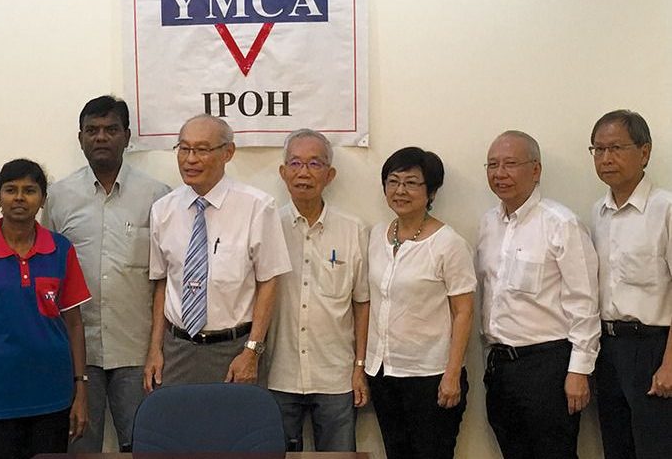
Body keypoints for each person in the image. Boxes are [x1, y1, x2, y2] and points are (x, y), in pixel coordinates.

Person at [42, 95, 170, 452]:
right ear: (80, 137)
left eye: (111, 129)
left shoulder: (157, 196)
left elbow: (165, 280)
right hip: (77, 355)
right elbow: (46, 275)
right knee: (80, 448)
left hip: (138, 352)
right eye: (92, 130)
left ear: (127, 136)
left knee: (145, 446)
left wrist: (156, 348)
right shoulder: (58, 197)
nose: (101, 137)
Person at [476, 130, 600, 459]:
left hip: (548, 367)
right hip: (500, 367)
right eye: (492, 165)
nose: (500, 173)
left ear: (535, 169)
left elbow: (585, 302)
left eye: (510, 164)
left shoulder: (561, 223)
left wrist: (579, 370)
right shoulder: (488, 224)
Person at [144, 114, 291, 390]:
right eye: (184, 148)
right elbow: (162, 282)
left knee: (235, 420)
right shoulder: (163, 210)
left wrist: (252, 351)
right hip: (177, 349)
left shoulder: (257, 207)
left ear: (228, 153)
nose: (190, 159)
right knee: (177, 419)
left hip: (234, 351)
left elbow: (269, 282)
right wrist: (155, 349)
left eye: (201, 149)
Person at [0, 159, 90, 459]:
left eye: (29, 190)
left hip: (53, 396)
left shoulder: (61, 250)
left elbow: (74, 323)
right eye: (11, 190)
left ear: (43, 198)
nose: (20, 198)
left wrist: (80, 389)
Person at [365, 147, 475, 459]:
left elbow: (464, 311)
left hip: (431, 376)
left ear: (432, 192)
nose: (400, 190)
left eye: (411, 183)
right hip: (384, 373)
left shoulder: (448, 243)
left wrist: (452, 374)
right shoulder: (378, 235)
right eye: (393, 181)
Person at [267, 129, 370, 452]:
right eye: (295, 163)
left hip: (336, 376)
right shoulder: (267, 227)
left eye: (315, 164)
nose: (304, 173)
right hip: (278, 374)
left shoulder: (353, 229)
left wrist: (359, 368)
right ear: (283, 172)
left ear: (330, 174)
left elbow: (362, 303)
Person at [588, 110, 672, 459]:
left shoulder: (665, 209)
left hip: (653, 348)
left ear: (645, 151)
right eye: (598, 149)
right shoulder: (597, 212)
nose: (606, 158)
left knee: (657, 448)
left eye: (616, 148)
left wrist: (669, 364)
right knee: (616, 446)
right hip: (608, 349)